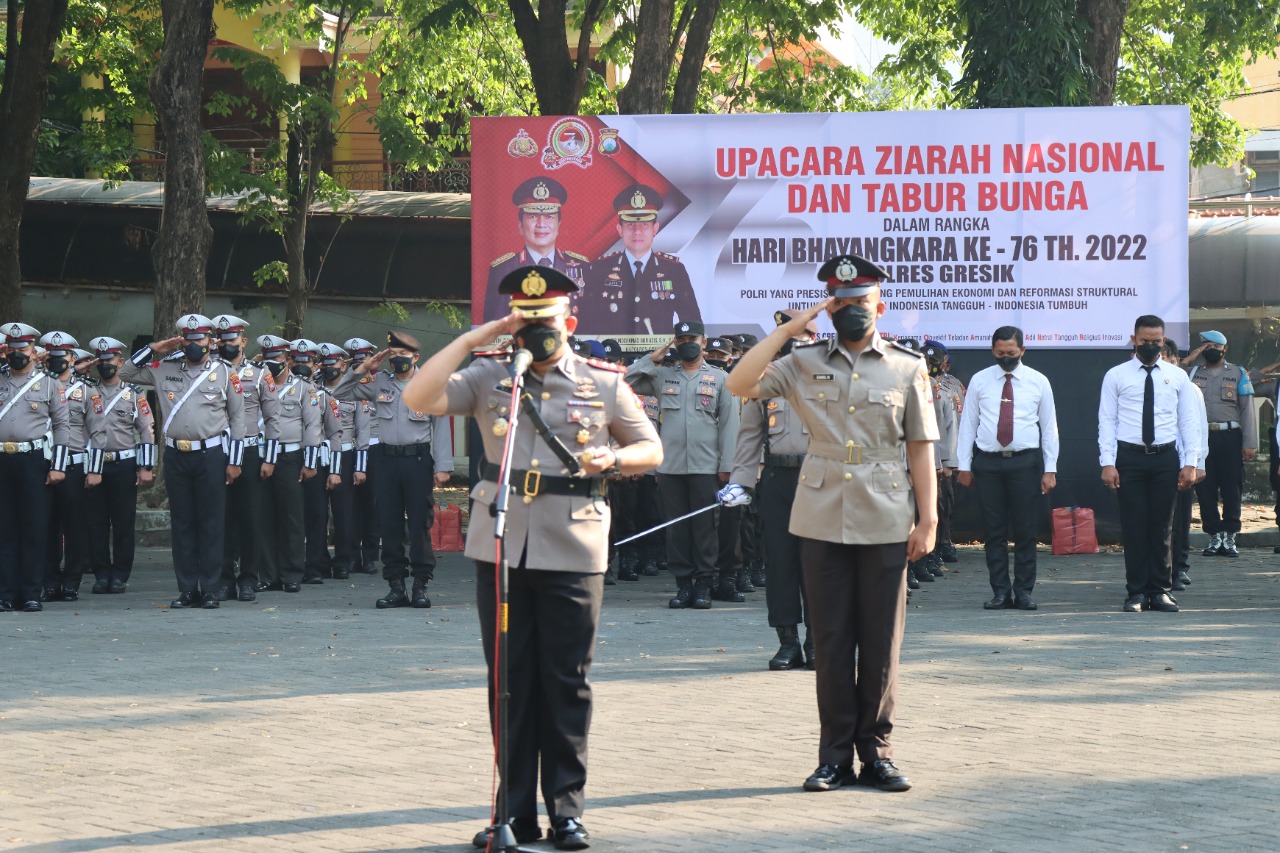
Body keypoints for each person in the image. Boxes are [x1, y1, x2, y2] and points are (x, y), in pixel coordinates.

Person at [401, 264, 662, 850]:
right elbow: (419, 397)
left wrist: (614, 460)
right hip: (502, 544)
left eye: (547, 321)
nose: (537, 332)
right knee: (509, 681)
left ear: (570, 322)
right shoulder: (490, 374)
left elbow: (651, 448)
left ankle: (566, 811)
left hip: (575, 543)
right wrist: (474, 339)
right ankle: (513, 812)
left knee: (567, 680)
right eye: (525, 321)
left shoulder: (604, 382)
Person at [727, 253, 937, 794]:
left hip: (887, 514)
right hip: (820, 515)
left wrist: (929, 518)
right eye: (841, 303)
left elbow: (920, 447)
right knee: (831, 640)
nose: (851, 310)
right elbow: (739, 384)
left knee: (882, 641)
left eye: (861, 302)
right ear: (829, 307)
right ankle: (834, 757)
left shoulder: (907, 366)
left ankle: (879, 754)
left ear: (879, 307)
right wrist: (786, 332)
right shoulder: (801, 362)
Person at [119, 314, 245, 609]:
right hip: (176, 456)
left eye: (199, 339)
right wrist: (155, 348)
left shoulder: (225, 372)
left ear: (210, 341)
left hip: (212, 454)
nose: (193, 344)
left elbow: (238, 418)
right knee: (183, 522)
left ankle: (211, 589)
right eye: (188, 339)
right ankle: (187, 589)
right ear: (181, 341)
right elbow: (125, 372)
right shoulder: (164, 368)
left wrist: (235, 461)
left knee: (211, 523)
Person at [332, 330, 453, 609]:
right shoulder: (379, 383)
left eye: (403, 355)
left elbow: (441, 427)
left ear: (415, 357)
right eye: (394, 355)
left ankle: (420, 585)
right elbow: (339, 392)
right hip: (385, 461)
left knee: (420, 524)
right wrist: (363, 368)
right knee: (389, 523)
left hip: (417, 461)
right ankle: (396, 586)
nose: (398, 359)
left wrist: (443, 466)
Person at [626, 320, 740, 609]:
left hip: (706, 465)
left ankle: (704, 584)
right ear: (675, 343)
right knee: (676, 528)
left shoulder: (720, 378)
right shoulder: (662, 375)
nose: (687, 343)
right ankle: (684, 585)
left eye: (692, 339)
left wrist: (727, 465)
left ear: (704, 343)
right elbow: (625, 382)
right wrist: (651, 359)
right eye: (682, 339)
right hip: (670, 467)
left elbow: (729, 425)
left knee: (705, 527)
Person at [729, 308, 819, 670]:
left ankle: (817, 642)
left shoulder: (833, 378)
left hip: (821, 481)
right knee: (780, 564)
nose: (794, 345)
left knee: (818, 564)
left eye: (800, 338)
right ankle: (787, 642)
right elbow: (750, 435)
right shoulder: (765, 380)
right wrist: (740, 482)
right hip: (778, 482)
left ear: (813, 339)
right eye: (788, 338)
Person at [1098, 315, 1201, 613]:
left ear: (1164, 341)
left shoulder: (1177, 376)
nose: (1150, 346)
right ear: (1133, 340)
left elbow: (1188, 422)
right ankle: (1136, 592)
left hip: (1166, 456)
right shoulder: (1116, 375)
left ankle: (1160, 591)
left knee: (1163, 526)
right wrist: (1108, 462)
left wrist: (1190, 462)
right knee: (1134, 526)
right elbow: (1107, 421)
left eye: (1156, 341)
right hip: (1129, 457)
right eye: (1144, 341)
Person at [955, 327, 1059, 610]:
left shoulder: (1038, 381)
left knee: (1026, 530)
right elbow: (968, 425)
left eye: (1011, 352)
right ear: (992, 350)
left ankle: (1024, 591)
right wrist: (964, 464)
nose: (1006, 358)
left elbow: (1049, 427)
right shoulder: (980, 380)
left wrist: (1050, 468)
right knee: (994, 531)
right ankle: (1000, 591)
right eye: (1000, 353)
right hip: (988, 463)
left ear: (1022, 350)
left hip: (1025, 462)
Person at [0, 322, 71, 612]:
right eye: (12, 349)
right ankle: (5, 593)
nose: (17, 354)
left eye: (23, 348)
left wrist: (58, 466)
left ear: (34, 352)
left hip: (34, 461)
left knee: (33, 528)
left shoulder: (50, 383)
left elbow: (62, 426)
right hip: (2, 460)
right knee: (4, 529)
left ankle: (31, 592)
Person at [213, 314, 278, 602]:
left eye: (232, 339)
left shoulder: (260, 374)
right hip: (218, 450)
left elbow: (273, 418)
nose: (227, 344)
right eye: (222, 340)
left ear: (243, 341)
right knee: (222, 518)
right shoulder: (210, 371)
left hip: (251, 451)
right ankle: (224, 579)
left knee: (250, 517)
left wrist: (270, 459)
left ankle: (249, 579)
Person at [84, 336, 155, 595]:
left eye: (110, 359)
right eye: (101, 360)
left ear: (120, 361)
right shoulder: (88, 391)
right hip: (94, 464)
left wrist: (146, 466)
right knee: (96, 522)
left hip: (123, 464)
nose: (105, 364)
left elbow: (146, 430)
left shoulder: (134, 394)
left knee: (123, 522)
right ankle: (101, 574)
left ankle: (120, 575)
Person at [579, 183, 701, 335]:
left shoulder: (673, 270)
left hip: (660, 350)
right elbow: (588, 321)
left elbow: (692, 322)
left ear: (655, 229)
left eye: (644, 224)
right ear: (620, 230)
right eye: (630, 224)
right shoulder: (601, 268)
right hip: (613, 350)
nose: (637, 231)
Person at [1180, 330, 1257, 558]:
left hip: (1230, 436)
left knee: (1232, 486)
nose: (1211, 350)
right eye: (1207, 346)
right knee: (1205, 487)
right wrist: (1192, 357)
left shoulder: (1238, 373)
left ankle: (1230, 534)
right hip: (1201, 437)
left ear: (1225, 349)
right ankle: (1214, 534)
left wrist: (1250, 442)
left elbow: (1247, 409)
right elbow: (1174, 372)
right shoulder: (1193, 372)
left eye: (1216, 346)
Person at [254, 335, 318, 594]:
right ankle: (269, 575)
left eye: (277, 358)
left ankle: (292, 574)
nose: (272, 362)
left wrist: (310, 462)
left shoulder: (304, 388)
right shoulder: (256, 384)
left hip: (290, 457)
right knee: (263, 517)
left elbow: (312, 426)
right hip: (260, 456)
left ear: (288, 360)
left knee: (291, 517)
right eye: (267, 357)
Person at [484, 176, 588, 322]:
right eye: (533, 217)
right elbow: (496, 327)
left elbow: (589, 323)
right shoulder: (504, 270)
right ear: (520, 225)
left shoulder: (580, 266)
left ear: (559, 223)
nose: (541, 224)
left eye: (549, 217)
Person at [40, 331, 91, 602]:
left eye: (63, 356)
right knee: (46, 525)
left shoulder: (87, 390)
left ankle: (71, 582)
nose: (58, 361)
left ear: (72, 358)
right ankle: (49, 582)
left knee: (75, 527)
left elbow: (97, 433)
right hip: (42, 464)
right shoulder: (37, 385)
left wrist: (94, 470)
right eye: (53, 356)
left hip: (73, 465)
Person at [297, 340, 347, 585]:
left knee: (316, 515)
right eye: (296, 360)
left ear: (315, 365)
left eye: (307, 361)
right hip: (285, 460)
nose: (301, 366)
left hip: (316, 463)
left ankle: (316, 565)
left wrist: (335, 471)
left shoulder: (323, 396)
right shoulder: (276, 391)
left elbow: (335, 434)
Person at [1164, 340, 1207, 591]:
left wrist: (1198, 462)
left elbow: (1200, 428)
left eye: (1169, 361)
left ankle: (1179, 566)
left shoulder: (1190, 389)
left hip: (1184, 463)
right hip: (1158, 460)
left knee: (1180, 519)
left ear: (1176, 360)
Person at [925, 340, 966, 564]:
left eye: (935, 361)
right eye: (927, 360)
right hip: (924, 456)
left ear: (945, 362)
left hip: (946, 455)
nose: (931, 365)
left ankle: (945, 541)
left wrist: (952, 459)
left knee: (946, 501)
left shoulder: (953, 387)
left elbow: (958, 423)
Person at [343, 337, 381, 574]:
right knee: (350, 505)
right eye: (355, 359)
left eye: (364, 358)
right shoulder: (347, 384)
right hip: (350, 448)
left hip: (375, 448)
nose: (360, 363)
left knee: (371, 504)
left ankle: (369, 555)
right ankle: (351, 555)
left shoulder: (381, 383)